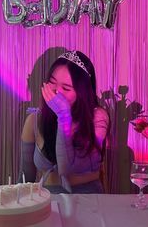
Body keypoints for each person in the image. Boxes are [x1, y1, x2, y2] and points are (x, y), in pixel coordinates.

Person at [18, 50, 109, 193]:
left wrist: (64, 116)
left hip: (89, 201)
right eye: (52, 83)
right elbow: (25, 177)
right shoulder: (34, 120)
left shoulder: (97, 117)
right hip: (48, 200)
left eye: (66, 88)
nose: (56, 92)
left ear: (82, 92)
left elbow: (68, 168)